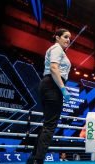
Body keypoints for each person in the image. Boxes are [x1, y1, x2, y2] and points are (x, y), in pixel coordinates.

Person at [27, 28, 72, 164]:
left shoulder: (58, 50)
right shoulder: (56, 49)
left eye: (69, 38)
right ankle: (38, 160)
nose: (68, 40)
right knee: (50, 124)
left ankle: (33, 158)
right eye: (65, 37)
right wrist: (63, 89)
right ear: (57, 37)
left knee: (48, 124)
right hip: (53, 85)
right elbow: (54, 68)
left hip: (51, 85)